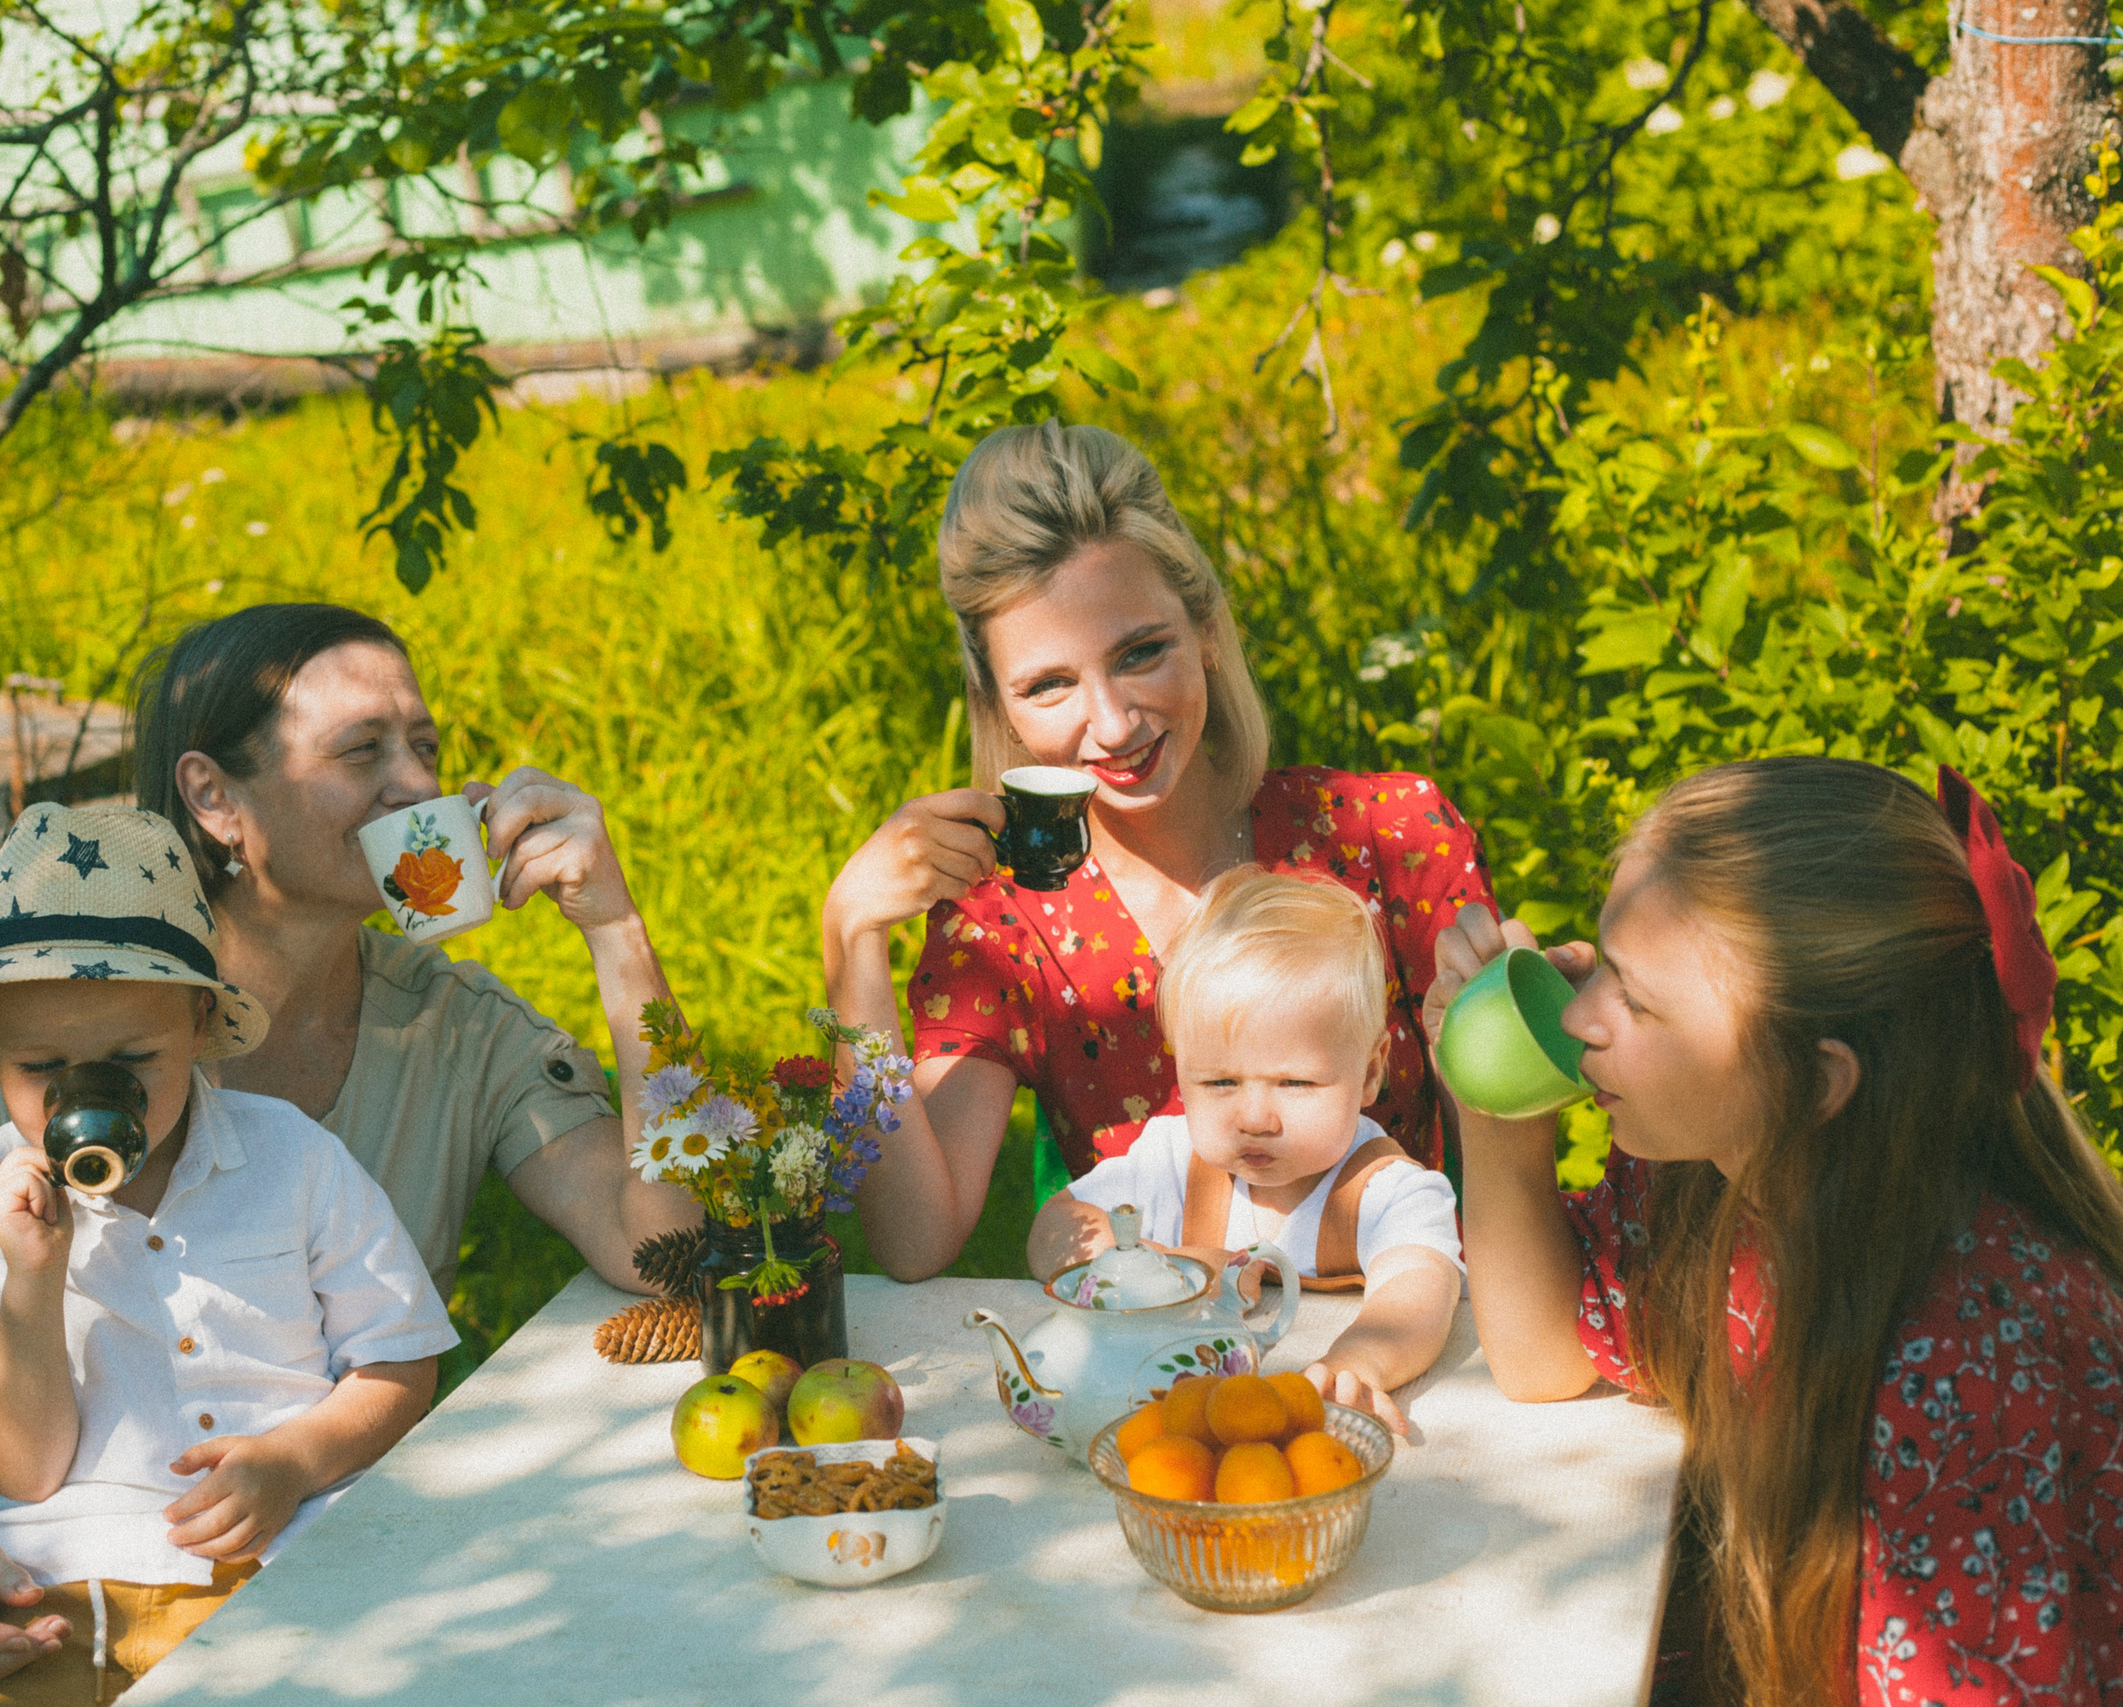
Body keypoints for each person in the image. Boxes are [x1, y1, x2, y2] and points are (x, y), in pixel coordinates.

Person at [0, 603, 699, 1687]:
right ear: (214, 798)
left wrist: (617, 933)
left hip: (321, 1579)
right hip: (58, 1589)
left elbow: (671, 1250)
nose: (419, 788)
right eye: (362, 752)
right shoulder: (54, 1028)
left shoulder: (455, 1023)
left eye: (425, 748)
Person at [1432, 757, 2123, 1703]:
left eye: (1635, 998)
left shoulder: (1965, 1358)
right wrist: (1499, 1110)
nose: (1581, 1010)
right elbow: (1545, 1352)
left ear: (1814, 1079)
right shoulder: (1730, 1183)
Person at [823, 422, 1496, 1280]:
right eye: (1049, 684)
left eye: (1141, 652)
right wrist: (850, 941)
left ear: (1206, 628)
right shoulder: (1005, 924)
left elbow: (1500, 1190)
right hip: (1153, 1375)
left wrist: (1494, 1043)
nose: (1112, 724)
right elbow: (915, 1239)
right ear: (999, 701)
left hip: (1391, 1349)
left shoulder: (1387, 836)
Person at [0, 803, 456, 1702]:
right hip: (44, 1580)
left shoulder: (293, 1158)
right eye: (42, 1069)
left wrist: (298, 1458)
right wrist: (32, 1278)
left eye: (131, 1059)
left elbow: (400, 1357)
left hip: (279, 1565)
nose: (90, 1094)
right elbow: (24, 1469)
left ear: (200, 1022)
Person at [1029, 868, 1463, 1433]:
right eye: (1220, 1084)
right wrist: (1161, 1269)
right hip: (1169, 1421)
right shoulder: (1172, 1160)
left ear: (1371, 1072)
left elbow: (1419, 1291)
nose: (1255, 1118)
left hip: (1310, 1420)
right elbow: (1055, 1229)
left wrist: (1356, 1363)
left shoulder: (1387, 1190)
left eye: (1295, 1083)